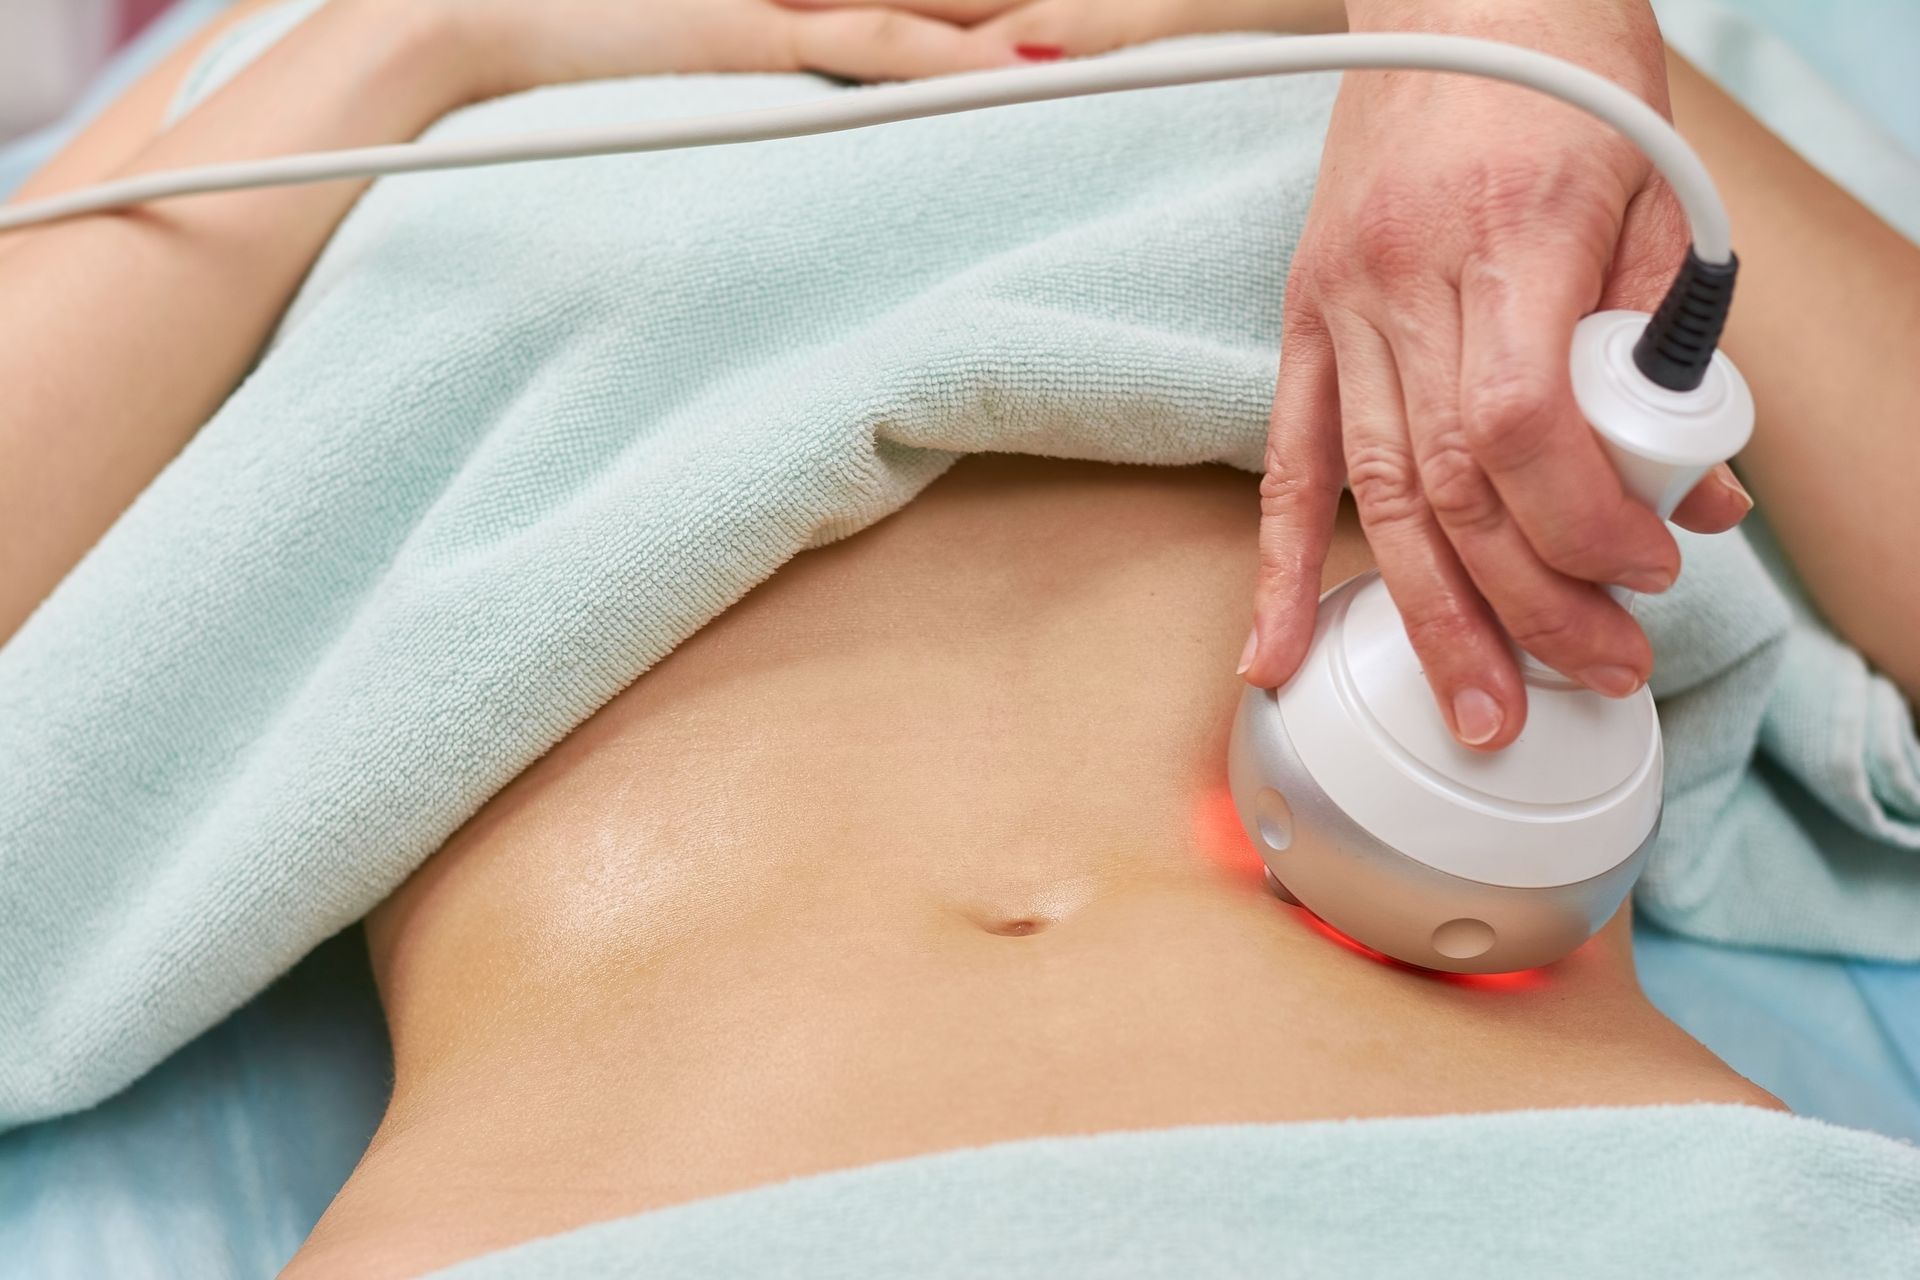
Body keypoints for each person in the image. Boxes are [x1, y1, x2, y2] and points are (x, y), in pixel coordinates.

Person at [2, 1, 1916, 1275]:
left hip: (1579, 1211)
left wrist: (1536, 50)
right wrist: (431, 34)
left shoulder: (1518, 92)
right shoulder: (403, 118)